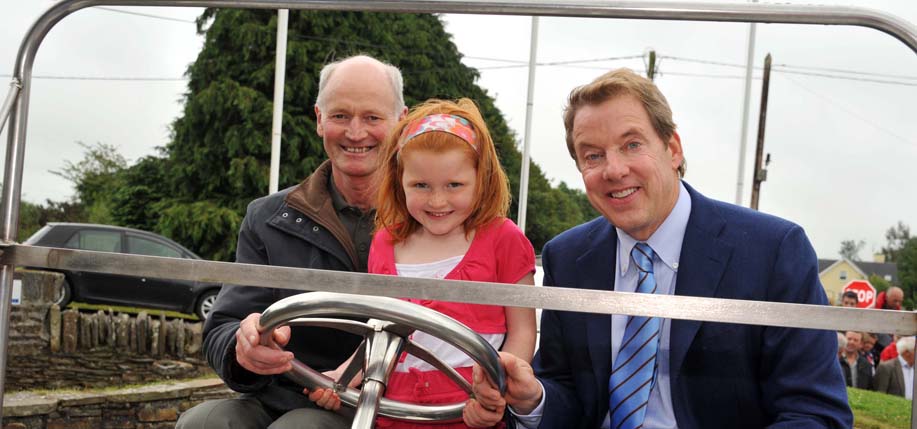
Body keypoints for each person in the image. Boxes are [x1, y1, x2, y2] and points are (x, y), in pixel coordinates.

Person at [468, 68, 852, 428]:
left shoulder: (774, 251)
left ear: (673, 149)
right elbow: (568, 390)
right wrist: (533, 399)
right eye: (593, 155)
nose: (614, 170)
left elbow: (815, 412)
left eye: (632, 144)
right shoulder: (567, 257)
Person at [175, 55, 407, 429]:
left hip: (393, 405)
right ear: (319, 119)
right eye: (340, 116)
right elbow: (224, 325)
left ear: (401, 121)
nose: (355, 132)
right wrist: (244, 348)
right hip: (283, 394)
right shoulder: (268, 219)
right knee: (205, 422)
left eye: (373, 117)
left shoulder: (431, 223)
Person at [308, 98, 537, 429]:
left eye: (454, 185)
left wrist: (496, 388)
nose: (437, 200)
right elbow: (381, 335)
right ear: (400, 181)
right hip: (393, 410)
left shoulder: (503, 238)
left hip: (469, 409)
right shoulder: (386, 243)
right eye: (421, 186)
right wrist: (343, 377)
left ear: (481, 179)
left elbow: (523, 332)